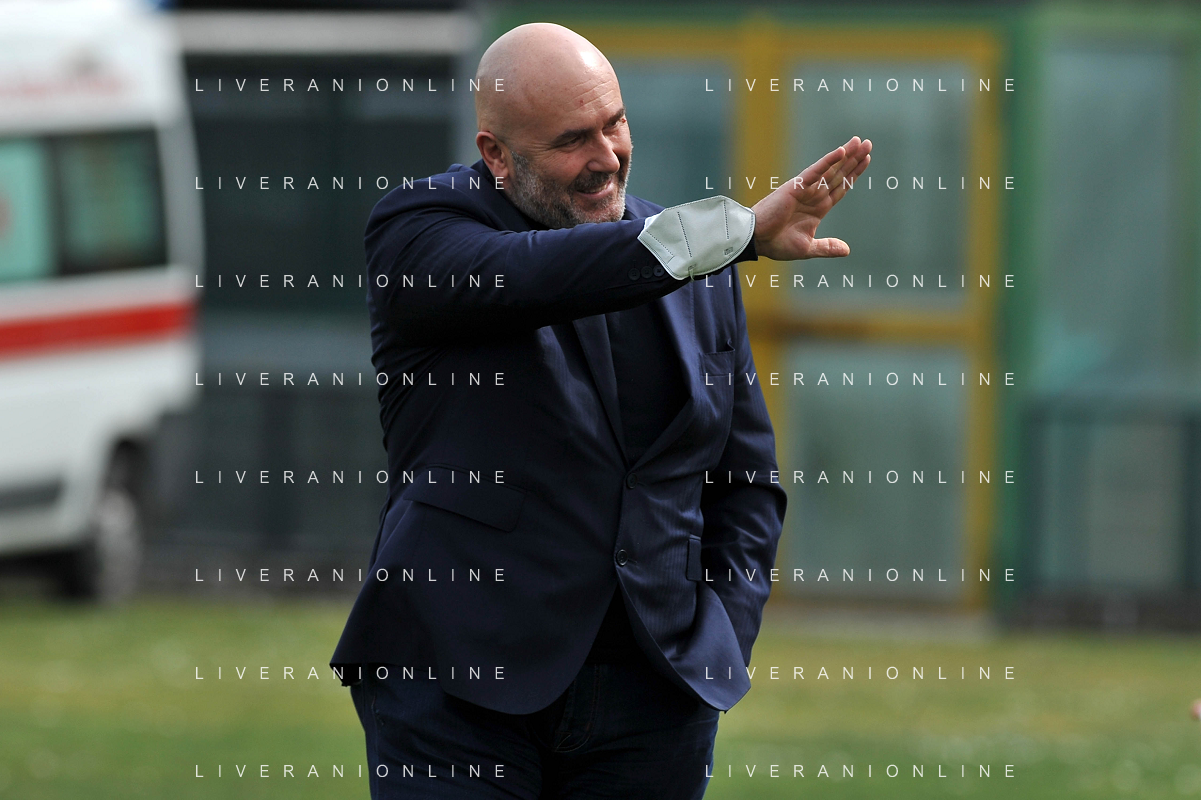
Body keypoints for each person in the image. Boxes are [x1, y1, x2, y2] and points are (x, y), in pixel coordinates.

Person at [330, 21, 871, 799]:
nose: (606, 156)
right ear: (494, 154)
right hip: (455, 684)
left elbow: (744, 481)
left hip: (654, 698)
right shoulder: (420, 231)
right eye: (570, 140)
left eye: (614, 123)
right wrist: (737, 232)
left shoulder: (698, 260)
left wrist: (720, 637)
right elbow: (538, 273)